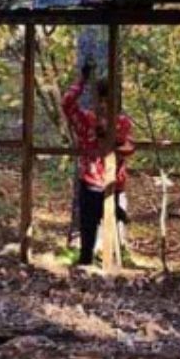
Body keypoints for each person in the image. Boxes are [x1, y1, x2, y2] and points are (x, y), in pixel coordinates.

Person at [62, 61, 135, 266]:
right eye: (100, 100)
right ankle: (85, 264)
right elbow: (67, 103)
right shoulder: (87, 120)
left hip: (113, 185)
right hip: (90, 183)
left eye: (109, 100)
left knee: (113, 234)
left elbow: (129, 147)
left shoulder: (122, 123)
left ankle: (111, 264)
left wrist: (115, 143)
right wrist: (81, 81)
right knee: (88, 233)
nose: (104, 105)